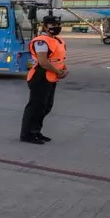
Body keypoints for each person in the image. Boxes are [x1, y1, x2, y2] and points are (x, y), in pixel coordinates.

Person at [20, 14, 67, 144]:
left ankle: (36, 131)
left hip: (52, 77)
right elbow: (43, 62)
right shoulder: (41, 41)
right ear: (45, 26)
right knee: (36, 106)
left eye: (58, 25)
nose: (56, 27)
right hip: (40, 76)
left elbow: (59, 58)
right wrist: (58, 72)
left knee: (46, 106)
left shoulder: (58, 40)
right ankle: (27, 134)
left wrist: (64, 69)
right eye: (52, 25)